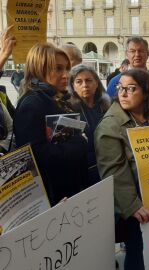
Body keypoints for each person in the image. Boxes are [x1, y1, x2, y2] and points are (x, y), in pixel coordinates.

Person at [95, 69, 149, 270]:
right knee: (139, 252)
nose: (123, 93)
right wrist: (133, 206)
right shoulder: (111, 125)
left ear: (145, 92)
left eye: (130, 88)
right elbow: (114, 170)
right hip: (138, 205)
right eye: (120, 88)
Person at [14, 42, 88, 205]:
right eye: (59, 69)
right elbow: (35, 155)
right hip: (52, 198)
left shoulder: (57, 98)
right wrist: (79, 143)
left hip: (68, 191)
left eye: (67, 69)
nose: (66, 75)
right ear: (40, 69)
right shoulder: (32, 104)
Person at [67, 64, 111, 186]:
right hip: (85, 171)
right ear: (73, 86)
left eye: (88, 80)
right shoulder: (68, 110)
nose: (85, 85)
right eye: (79, 82)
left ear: (97, 83)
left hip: (109, 165)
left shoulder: (106, 106)